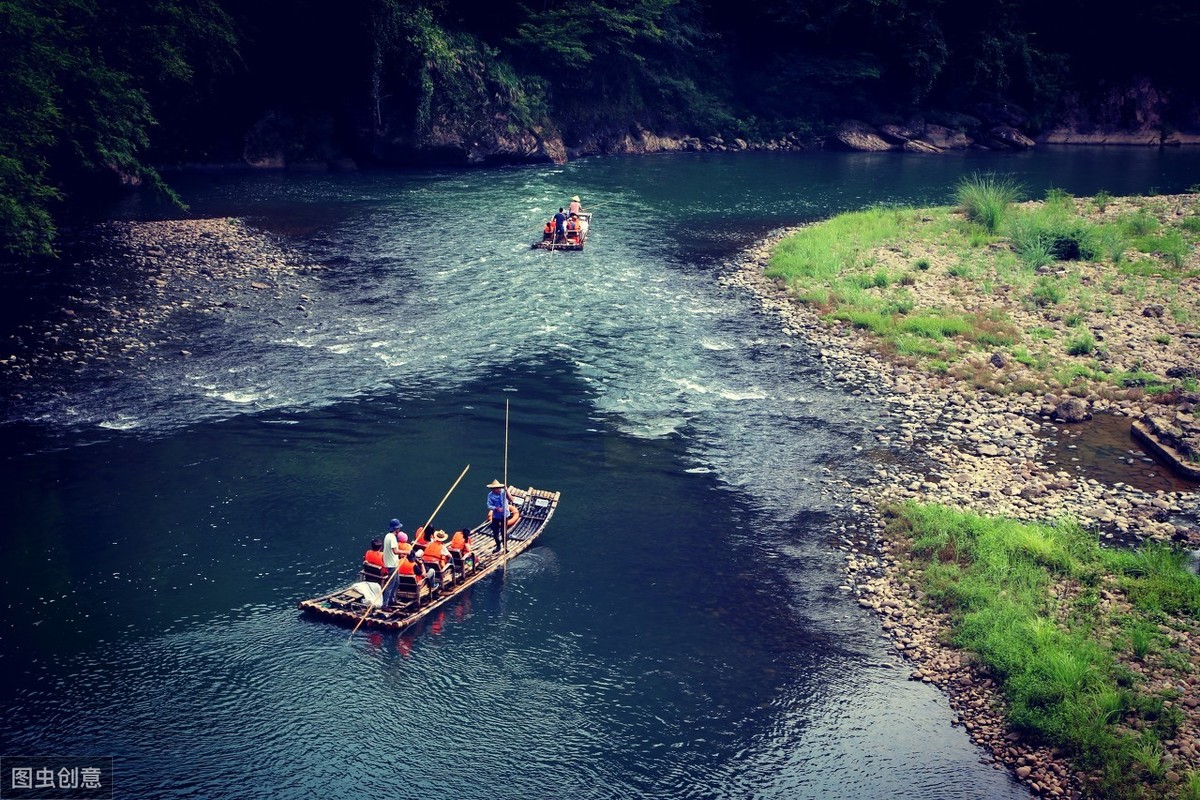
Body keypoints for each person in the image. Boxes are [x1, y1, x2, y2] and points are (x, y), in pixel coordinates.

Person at [381, 519, 404, 608]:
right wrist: (407, 552)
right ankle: (385, 605)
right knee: (390, 585)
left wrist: (400, 555)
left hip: (394, 563)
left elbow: (392, 552)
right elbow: (395, 551)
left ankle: (392, 600)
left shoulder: (387, 536)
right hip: (392, 565)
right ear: (396, 529)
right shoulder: (393, 538)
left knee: (397, 582)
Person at [486, 479, 509, 552]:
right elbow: (489, 505)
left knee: (504, 532)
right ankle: (498, 546)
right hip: (496, 516)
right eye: (492, 488)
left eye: (494, 488)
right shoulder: (490, 495)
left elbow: (512, 499)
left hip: (504, 515)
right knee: (495, 533)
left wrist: (507, 491)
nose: (493, 490)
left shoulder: (503, 492)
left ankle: (505, 547)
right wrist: (495, 508)